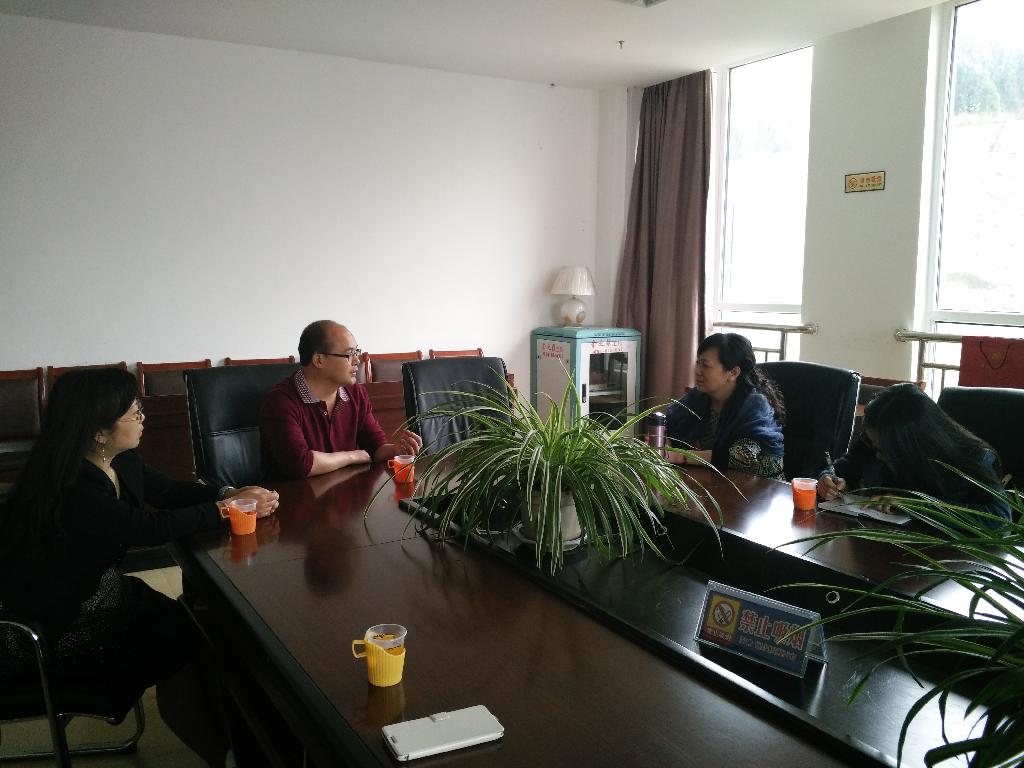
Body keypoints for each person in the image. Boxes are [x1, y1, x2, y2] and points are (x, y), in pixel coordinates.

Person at [0, 368, 279, 765]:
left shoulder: (121, 460)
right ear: (100, 432)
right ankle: (223, 751)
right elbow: (147, 528)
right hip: (54, 623)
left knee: (199, 633)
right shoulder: (72, 485)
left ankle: (229, 737)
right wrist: (223, 509)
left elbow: (170, 492)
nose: (143, 418)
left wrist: (228, 492)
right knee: (182, 647)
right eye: (134, 414)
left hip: (99, 591)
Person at [818, 383, 1011, 527]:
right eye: (874, 445)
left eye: (885, 450)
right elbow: (840, 470)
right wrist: (827, 479)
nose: (877, 456)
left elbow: (999, 517)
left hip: (942, 558)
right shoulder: (872, 442)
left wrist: (916, 505)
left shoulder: (973, 458)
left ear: (912, 445)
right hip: (877, 546)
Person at [260, 320, 422, 480]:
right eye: (349, 354)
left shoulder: (355, 393)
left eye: (357, 352)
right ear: (319, 360)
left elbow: (375, 448)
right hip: (295, 494)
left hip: (344, 492)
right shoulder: (281, 402)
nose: (357, 360)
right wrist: (352, 456)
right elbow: (300, 464)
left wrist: (395, 450)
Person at [664, 333, 785, 479]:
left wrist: (681, 456)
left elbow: (742, 458)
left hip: (758, 487)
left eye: (705, 365)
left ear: (733, 372)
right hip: (710, 481)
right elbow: (668, 427)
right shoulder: (697, 397)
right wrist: (664, 443)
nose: (697, 371)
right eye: (698, 363)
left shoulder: (754, 405)